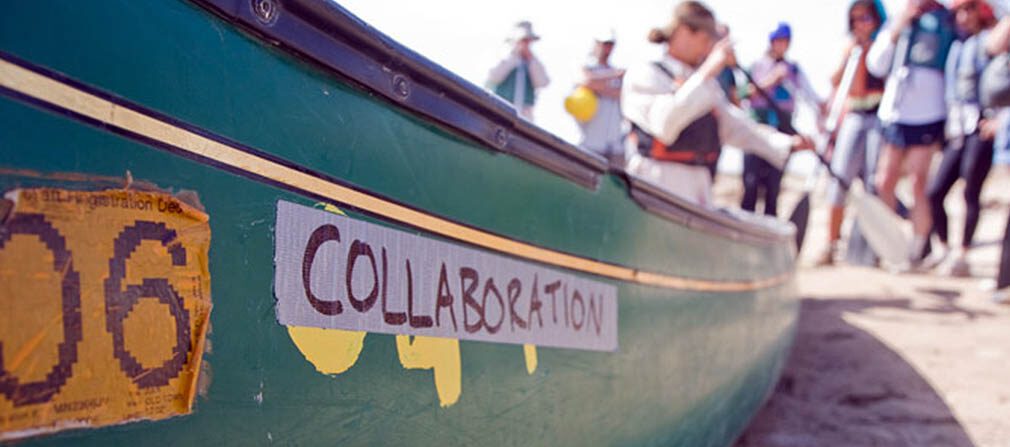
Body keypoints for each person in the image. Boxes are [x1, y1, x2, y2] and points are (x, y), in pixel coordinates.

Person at [622, 1, 813, 207]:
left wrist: (786, 143)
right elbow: (664, 126)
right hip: (653, 187)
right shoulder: (646, 73)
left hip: (697, 190)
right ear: (684, 32)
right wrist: (706, 72)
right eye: (705, 40)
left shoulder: (706, 84)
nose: (707, 49)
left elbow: (737, 127)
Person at [866, 0, 956, 268]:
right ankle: (891, 245)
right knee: (884, 180)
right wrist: (899, 25)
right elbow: (876, 64)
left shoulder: (948, 19)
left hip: (928, 112)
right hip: (895, 111)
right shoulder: (899, 17)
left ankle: (917, 248)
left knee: (918, 181)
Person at [923, 0, 998, 276]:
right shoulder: (955, 46)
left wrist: (998, 118)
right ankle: (943, 247)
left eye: (969, 10)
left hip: (980, 126)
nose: (963, 17)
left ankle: (962, 255)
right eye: (959, 12)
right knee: (935, 191)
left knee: (970, 191)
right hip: (956, 129)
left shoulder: (988, 42)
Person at [816, 0, 888, 266]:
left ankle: (872, 249)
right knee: (839, 178)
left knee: (873, 183)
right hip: (854, 115)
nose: (860, 25)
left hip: (878, 116)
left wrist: (871, 51)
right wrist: (851, 55)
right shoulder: (850, 48)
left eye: (865, 18)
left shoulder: (883, 48)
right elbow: (835, 80)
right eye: (855, 20)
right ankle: (831, 244)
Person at [741, 23, 823, 217]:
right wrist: (772, 80)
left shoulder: (793, 70)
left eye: (785, 41)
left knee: (773, 184)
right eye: (779, 41)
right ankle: (745, 221)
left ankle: (769, 222)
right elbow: (743, 94)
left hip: (782, 128)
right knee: (751, 181)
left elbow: (811, 96)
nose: (782, 45)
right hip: (757, 128)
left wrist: (822, 112)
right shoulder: (756, 65)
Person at [577, 29, 626, 166]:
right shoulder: (586, 67)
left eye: (610, 45)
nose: (607, 49)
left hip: (615, 146)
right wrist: (615, 76)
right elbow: (587, 81)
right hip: (589, 143)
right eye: (604, 44)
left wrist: (600, 88)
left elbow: (623, 94)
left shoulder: (616, 72)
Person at [487, 21, 550, 120]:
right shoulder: (503, 57)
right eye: (523, 40)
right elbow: (493, 76)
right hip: (502, 108)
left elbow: (543, 82)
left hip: (524, 113)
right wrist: (513, 57)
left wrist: (530, 60)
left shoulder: (532, 62)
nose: (526, 44)